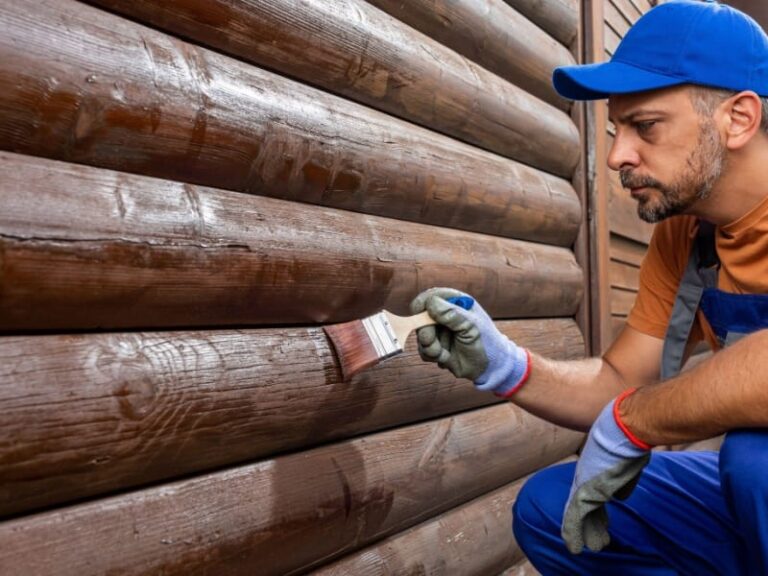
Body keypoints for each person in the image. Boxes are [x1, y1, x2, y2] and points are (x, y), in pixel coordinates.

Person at [410, 1, 768, 574]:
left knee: (753, 462)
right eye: (617, 128)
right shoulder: (687, 238)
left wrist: (635, 420)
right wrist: (505, 365)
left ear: (739, 118)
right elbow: (623, 381)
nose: (618, 155)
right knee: (550, 507)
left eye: (645, 126)